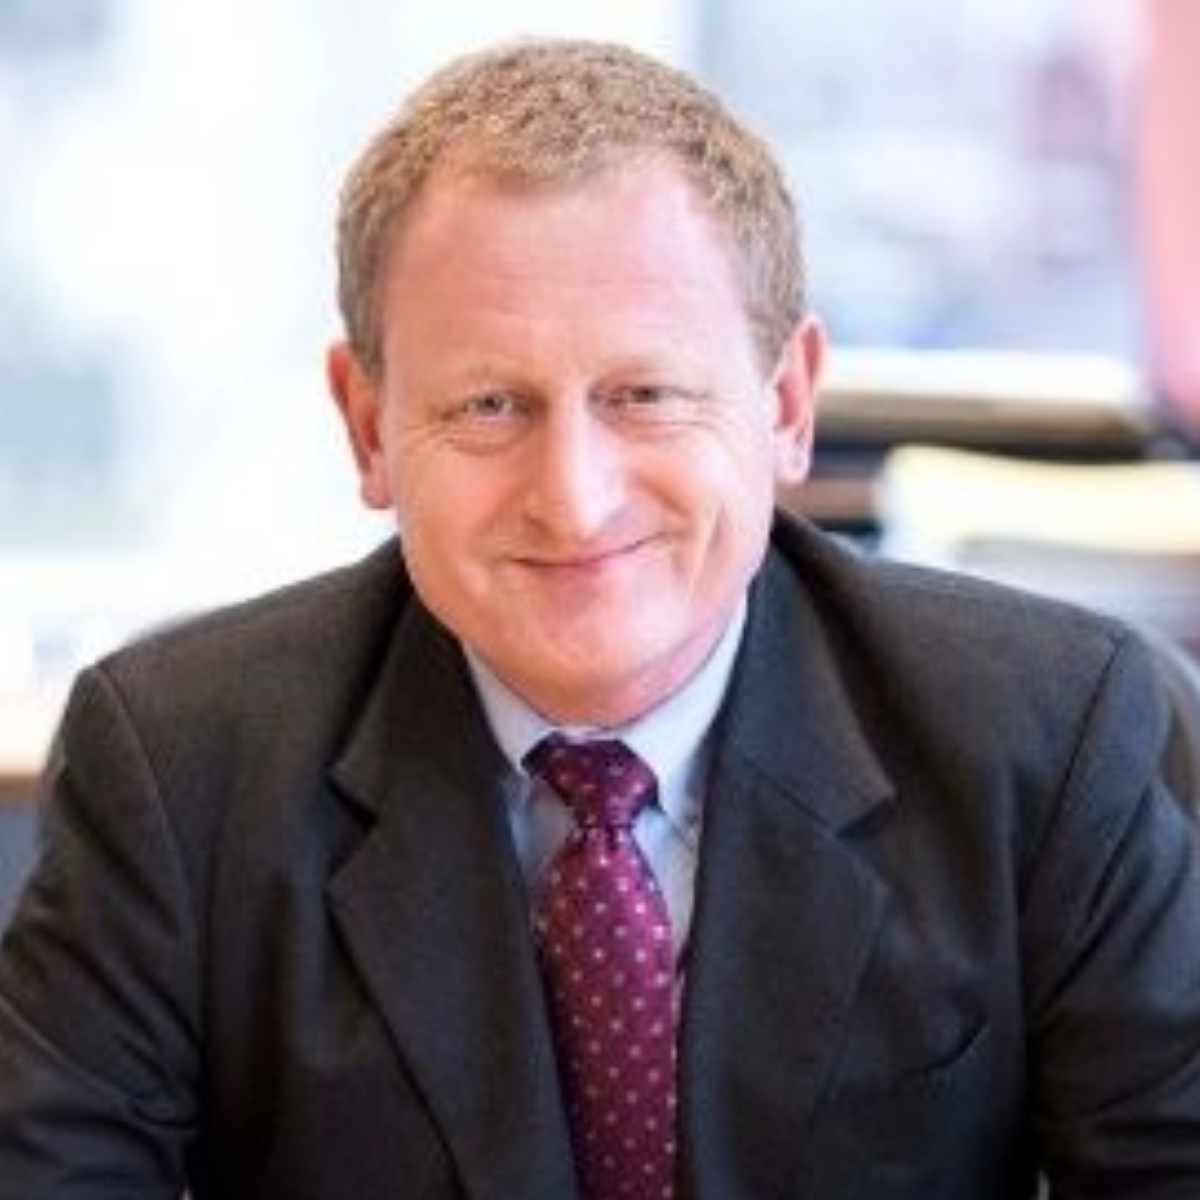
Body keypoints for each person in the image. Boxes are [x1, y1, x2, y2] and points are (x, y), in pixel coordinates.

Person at [2, 37, 1200, 1200]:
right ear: (367, 426)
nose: (573, 497)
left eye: (644, 394)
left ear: (785, 404)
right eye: (487, 404)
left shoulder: (1056, 740)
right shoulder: (175, 766)